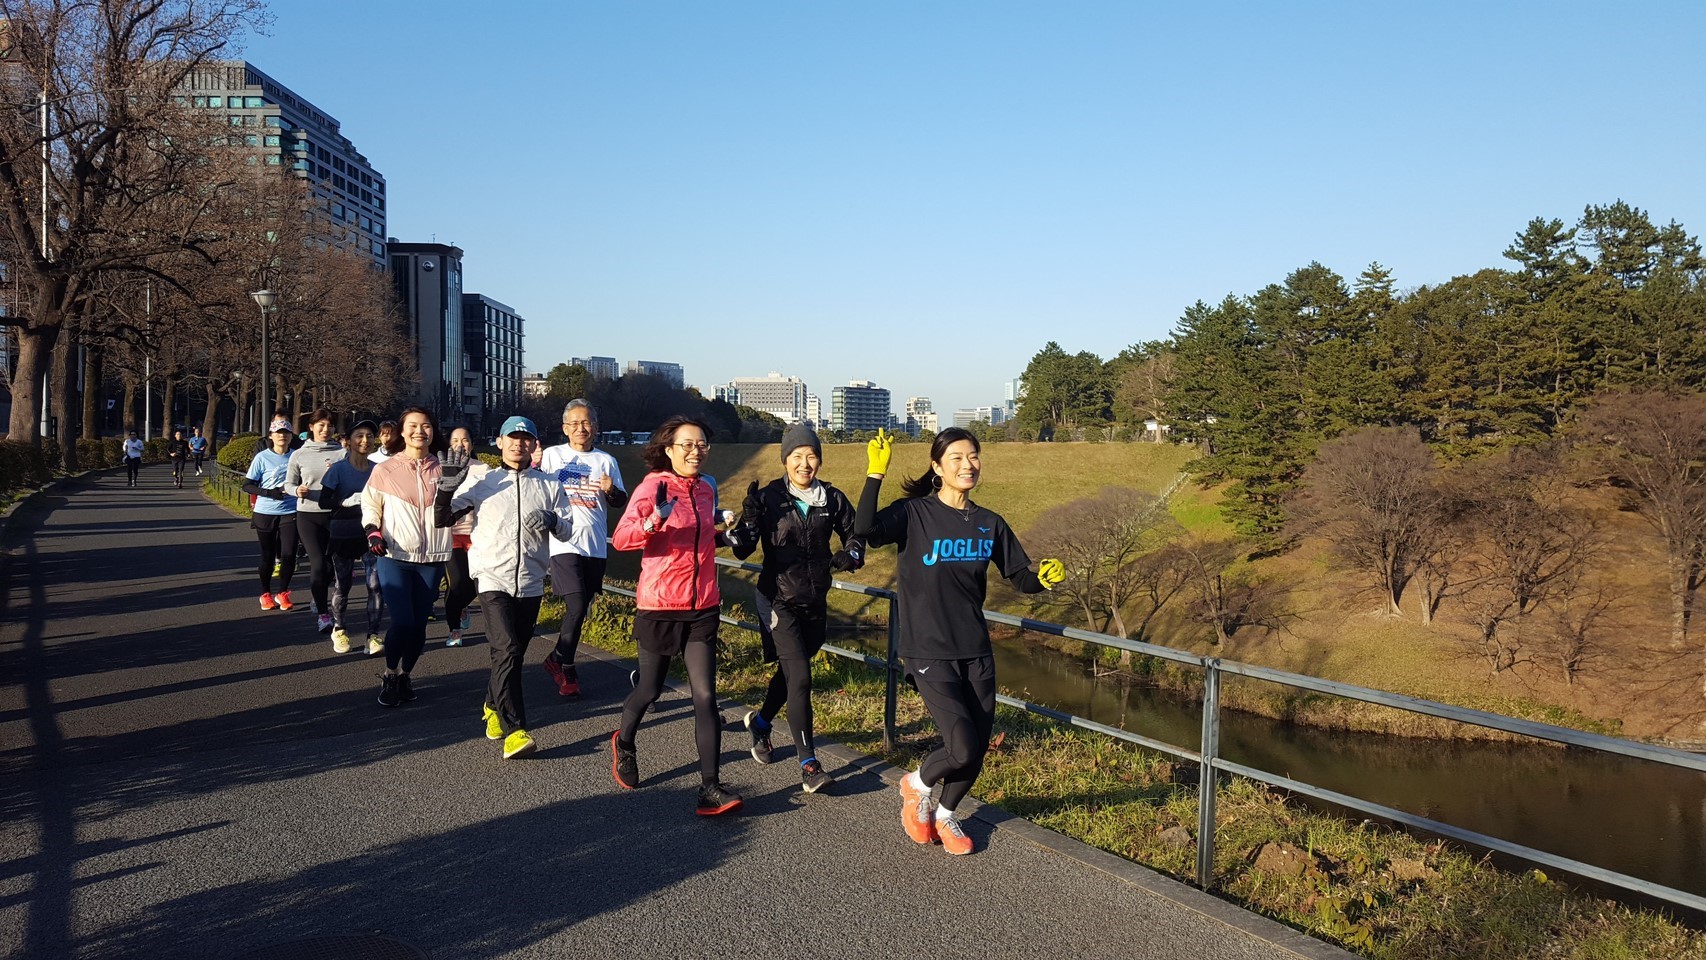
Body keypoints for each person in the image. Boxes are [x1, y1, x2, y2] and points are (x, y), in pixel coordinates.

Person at [854, 427, 1064, 855]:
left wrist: (1041, 579)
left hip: (975, 647)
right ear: (937, 467)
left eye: (974, 456)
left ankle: (947, 815)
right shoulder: (914, 514)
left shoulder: (990, 523)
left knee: (977, 747)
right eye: (956, 458)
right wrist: (875, 474)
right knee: (961, 743)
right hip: (927, 647)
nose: (968, 465)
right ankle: (916, 785)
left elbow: (1020, 577)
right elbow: (866, 529)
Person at [610, 415, 744, 816]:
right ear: (668, 449)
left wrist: (725, 533)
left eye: (701, 444)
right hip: (659, 606)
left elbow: (701, 536)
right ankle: (625, 742)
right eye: (686, 444)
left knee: (705, 697)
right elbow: (622, 539)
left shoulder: (707, 487)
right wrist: (656, 518)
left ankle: (710, 789)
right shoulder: (653, 486)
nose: (695, 451)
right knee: (650, 690)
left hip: (703, 605)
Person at [728, 423, 864, 794]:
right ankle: (809, 764)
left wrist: (849, 556)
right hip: (777, 599)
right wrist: (749, 518)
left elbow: (855, 536)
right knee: (801, 677)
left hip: (815, 601)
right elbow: (742, 548)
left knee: (793, 673)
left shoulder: (831, 499)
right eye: (797, 457)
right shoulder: (771, 497)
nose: (805, 463)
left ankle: (760, 722)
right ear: (785, 460)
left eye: (812, 456)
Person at [435, 416, 575, 759]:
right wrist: (447, 488)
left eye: (526, 439)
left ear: (534, 445)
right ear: (499, 442)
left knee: (511, 653)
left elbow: (568, 529)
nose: (519, 444)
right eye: (512, 438)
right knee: (508, 648)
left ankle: (491, 704)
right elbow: (442, 518)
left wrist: (553, 520)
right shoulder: (484, 480)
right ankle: (515, 731)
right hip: (491, 578)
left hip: (530, 581)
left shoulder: (549, 485)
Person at [361, 407, 451, 707]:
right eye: (412, 426)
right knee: (403, 621)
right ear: (402, 431)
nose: (419, 431)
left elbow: (463, 503)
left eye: (426, 426)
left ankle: (405, 675)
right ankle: (389, 673)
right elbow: (370, 504)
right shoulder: (385, 469)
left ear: (433, 431)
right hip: (394, 554)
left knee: (420, 626)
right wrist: (373, 531)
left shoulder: (443, 468)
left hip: (433, 557)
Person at [538, 399, 628, 696]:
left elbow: (619, 501)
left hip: (595, 544)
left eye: (586, 422)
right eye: (574, 423)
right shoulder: (552, 455)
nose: (581, 428)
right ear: (565, 428)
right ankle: (567, 668)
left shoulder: (606, 461)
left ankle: (556, 658)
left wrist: (610, 489)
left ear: (596, 428)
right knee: (576, 605)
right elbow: (535, 485)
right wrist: (534, 463)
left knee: (582, 609)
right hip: (563, 540)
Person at [320, 420, 386, 654]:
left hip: (370, 533)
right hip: (343, 532)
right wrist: (343, 502)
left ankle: (374, 634)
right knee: (343, 584)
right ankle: (339, 629)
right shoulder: (338, 469)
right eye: (359, 436)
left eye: (369, 436)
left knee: (375, 585)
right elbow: (323, 501)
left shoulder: (377, 469)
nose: (365, 441)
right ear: (348, 440)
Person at [288, 409, 347, 634]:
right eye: (321, 426)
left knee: (332, 565)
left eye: (330, 426)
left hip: (335, 515)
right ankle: (324, 614)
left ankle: (320, 594)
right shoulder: (299, 454)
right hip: (308, 514)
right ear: (311, 427)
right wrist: (297, 490)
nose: (326, 430)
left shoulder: (342, 454)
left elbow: (349, 484)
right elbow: (288, 484)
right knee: (318, 564)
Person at [242, 422, 301, 611]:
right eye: (278, 433)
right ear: (271, 436)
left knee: (289, 554)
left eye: (286, 433)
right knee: (267, 555)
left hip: (290, 511)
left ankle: (282, 593)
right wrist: (268, 492)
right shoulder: (262, 457)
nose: (282, 436)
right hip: (265, 511)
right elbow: (247, 485)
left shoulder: (297, 456)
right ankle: (265, 593)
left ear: (292, 436)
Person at [441, 427, 491, 646]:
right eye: (455, 440)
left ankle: (461, 607)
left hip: (476, 533)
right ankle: (454, 630)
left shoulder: (484, 469)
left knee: (475, 584)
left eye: (465, 439)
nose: (460, 444)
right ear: (449, 445)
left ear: (471, 443)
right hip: (450, 534)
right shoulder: (440, 468)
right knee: (457, 582)